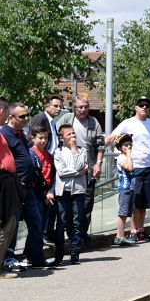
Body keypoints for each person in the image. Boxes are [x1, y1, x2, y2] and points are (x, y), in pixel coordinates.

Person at [105, 97, 150, 242]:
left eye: (146, 106)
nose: (144, 107)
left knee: (145, 201)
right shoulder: (128, 123)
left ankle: (141, 230)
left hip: (149, 164)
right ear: (136, 108)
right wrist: (100, 147)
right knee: (135, 201)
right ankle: (133, 230)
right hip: (134, 167)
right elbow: (113, 136)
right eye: (141, 105)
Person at [2, 103, 47, 269]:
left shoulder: (22, 134)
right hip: (14, 187)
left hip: (28, 187)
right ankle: (8, 258)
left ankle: (34, 256)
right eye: (22, 116)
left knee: (36, 221)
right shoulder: (4, 135)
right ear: (11, 118)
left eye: (27, 115)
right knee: (11, 225)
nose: (27, 118)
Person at [56, 98, 104, 246]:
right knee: (69, 208)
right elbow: (56, 137)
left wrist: (98, 163)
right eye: (79, 107)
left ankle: (82, 237)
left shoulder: (93, 122)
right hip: (68, 173)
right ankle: (71, 236)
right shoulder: (66, 119)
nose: (83, 110)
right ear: (74, 109)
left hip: (87, 171)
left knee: (86, 206)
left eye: (85, 107)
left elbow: (100, 145)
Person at [53, 124, 88, 264]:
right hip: (63, 191)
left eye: (73, 133)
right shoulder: (58, 152)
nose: (73, 136)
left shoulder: (81, 150)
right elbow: (61, 172)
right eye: (69, 134)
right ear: (62, 138)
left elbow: (80, 165)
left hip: (78, 190)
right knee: (61, 222)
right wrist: (78, 172)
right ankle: (59, 254)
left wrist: (74, 150)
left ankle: (75, 253)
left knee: (77, 221)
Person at [0, 98, 23, 279]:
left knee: (10, 223)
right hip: (2, 181)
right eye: (7, 113)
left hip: (8, 181)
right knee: (6, 224)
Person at [29, 124, 57, 264]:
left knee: (42, 226)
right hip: (37, 195)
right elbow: (34, 180)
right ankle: (35, 256)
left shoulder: (49, 156)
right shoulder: (31, 154)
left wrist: (51, 191)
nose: (43, 141)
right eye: (40, 138)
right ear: (33, 138)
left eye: (45, 138)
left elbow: (52, 176)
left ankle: (32, 254)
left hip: (47, 195)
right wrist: (43, 195)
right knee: (37, 226)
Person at [113, 134, 136, 247]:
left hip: (130, 188)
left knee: (127, 212)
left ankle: (120, 236)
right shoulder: (122, 157)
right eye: (125, 145)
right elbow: (130, 168)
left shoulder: (127, 156)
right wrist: (128, 154)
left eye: (130, 145)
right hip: (125, 189)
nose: (129, 147)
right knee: (123, 213)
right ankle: (120, 236)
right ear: (120, 147)